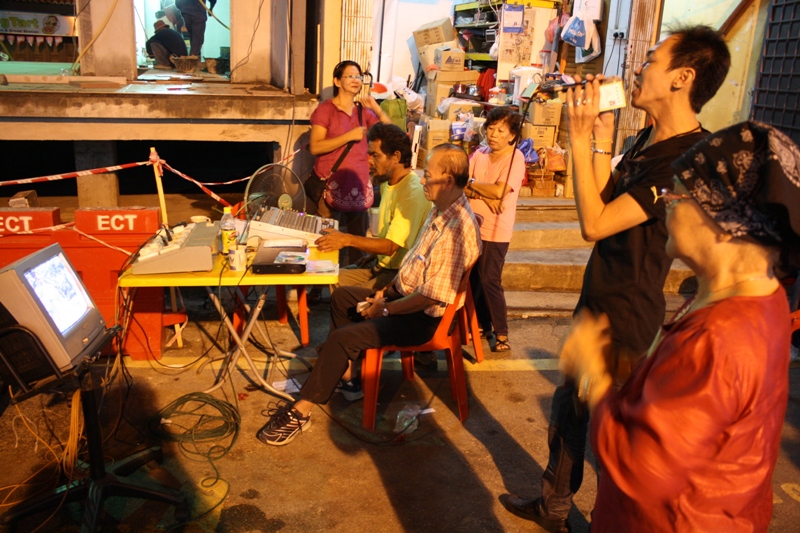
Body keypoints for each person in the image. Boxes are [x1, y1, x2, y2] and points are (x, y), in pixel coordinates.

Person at [500, 25, 731, 532]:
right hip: (598, 297)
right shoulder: (647, 137)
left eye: (651, 61)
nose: (638, 69)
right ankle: (554, 507)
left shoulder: (688, 157)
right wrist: (602, 143)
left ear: (682, 78)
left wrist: (579, 138)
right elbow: (603, 200)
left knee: (614, 437)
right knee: (568, 414)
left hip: (627, 319)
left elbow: (594, 224)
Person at [559, 120, 799, 532]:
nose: (667, 201)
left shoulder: (722, 336)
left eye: (681, 194)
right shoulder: (751, 294)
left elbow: (640, 467)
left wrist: (594, 375)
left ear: (727, 222)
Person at [256, 144, 482, 446]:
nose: (423, 180)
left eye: (428, 175)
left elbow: (431, 296)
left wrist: (386, 309)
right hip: (404, 297)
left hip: (423, 319)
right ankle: (348, 380)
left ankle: (301, 412)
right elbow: (414, 267)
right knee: (343, 298)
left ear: (449, 180)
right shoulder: (440, 209)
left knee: (341, 338)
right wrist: (384, 294)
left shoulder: (458, 228)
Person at [314, 122, 431, 291]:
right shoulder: (388, 181)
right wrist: (374, 255)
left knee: (344, 296)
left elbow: (391, 246)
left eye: (376, 155)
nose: (369, 162)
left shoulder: (412, 194)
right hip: (381, 265)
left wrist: (346, 239)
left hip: (399, 273)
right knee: (332, 277)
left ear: (396, 157)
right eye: (369, 155)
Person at [306, 60, 393, 267]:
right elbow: (315, 147)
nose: (356, 80)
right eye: (350, 76)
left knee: (357, 239)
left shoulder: (363, 112)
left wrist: (377, 110)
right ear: (337, 81)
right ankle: (319, 285)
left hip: (359, 184)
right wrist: (349, 136)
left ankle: (352, 284)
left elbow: (392, 135)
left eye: (358, 76)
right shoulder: (325, 110)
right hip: (331, 183)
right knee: (325, 237)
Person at [464, 107, 525, 352]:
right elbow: (461, 184)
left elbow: (501, 191)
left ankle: (502, 333)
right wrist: (480, 190)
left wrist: (475, 186)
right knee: (475, 279)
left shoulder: (515, 158)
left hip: (496, 229)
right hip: (473, 226)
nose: (494, 134)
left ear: (512, 136)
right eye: (491, 128)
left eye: (501, 130)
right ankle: (482, 324)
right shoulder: (479, 153)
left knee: (490, 280)